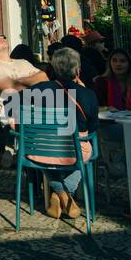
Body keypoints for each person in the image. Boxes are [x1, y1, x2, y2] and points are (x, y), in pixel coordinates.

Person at [27, 47, 98, 219]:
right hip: (74, 150)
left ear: (52, 69)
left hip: (40, 150)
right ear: (78, 70)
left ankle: (57, 194)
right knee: (87, 151)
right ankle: (64, 194)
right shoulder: (88, 94)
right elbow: (93, 128)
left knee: (45, 154)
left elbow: (9, 104)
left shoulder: (38, 90)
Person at [0, 32, 48, 130]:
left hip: (38, 109)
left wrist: (19, 80)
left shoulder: (23, 62)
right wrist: (33, 81)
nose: (1, 38)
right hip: (13, 116)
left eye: (2, 36)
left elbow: (45, 77)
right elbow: (12, 88)